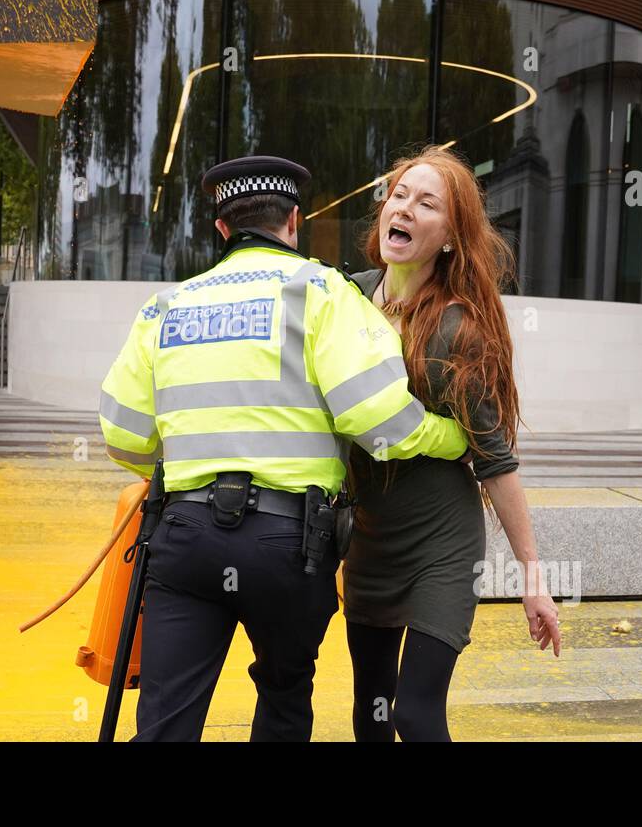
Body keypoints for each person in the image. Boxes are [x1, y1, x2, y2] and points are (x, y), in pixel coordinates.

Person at [99, 155, 473, 742]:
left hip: (186, 538)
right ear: (293, 220)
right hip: (288, 545)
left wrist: (196, 463)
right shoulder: (322, 291)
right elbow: (376, 422)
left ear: (222, 228)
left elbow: (123, 433)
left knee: (166, 721)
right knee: (283, 695)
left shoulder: (166, 306)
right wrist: (452, 437)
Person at [343, 146, 561, 743]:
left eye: (427, 202)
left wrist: (532, 578)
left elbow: (496, 460)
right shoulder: (346, 302)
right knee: (372, 712)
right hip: (369, 538)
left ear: (448, 237)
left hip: (441, 542)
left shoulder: (457, 327)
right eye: (399, 194)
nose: (406, 207)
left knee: (415, 714)